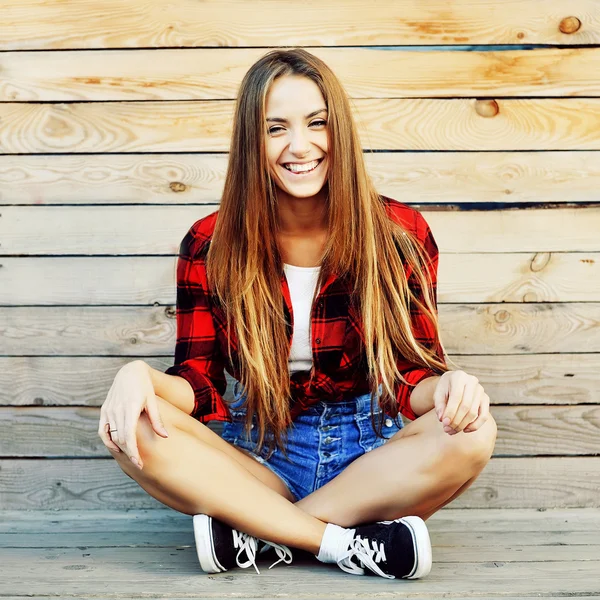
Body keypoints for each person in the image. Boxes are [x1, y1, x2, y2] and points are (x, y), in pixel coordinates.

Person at [98, 48, 497, 581]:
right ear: (251, 142)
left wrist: (451, 389)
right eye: (275, 129)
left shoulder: (399, 233)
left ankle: (260, 534)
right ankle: (343, 543)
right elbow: (198, 383)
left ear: (341, 132)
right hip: (259, 451)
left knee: (474, 433)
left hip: (369, 459)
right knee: (130, 428)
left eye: (317, 123)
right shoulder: (210, 242)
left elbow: (409, 375)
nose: (300, 146)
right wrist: (137, 379)